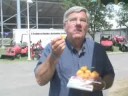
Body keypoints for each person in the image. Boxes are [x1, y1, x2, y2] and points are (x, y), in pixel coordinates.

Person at [34, 6, 115, 96]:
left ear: (87, 27)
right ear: (65, 26)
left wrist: (102, 84)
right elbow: (40, 80)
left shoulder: (98, 49)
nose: (78, 23)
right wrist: (53, 57)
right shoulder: (53, 48)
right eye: (73, 20)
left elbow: (110, 75)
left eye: (83, 20)